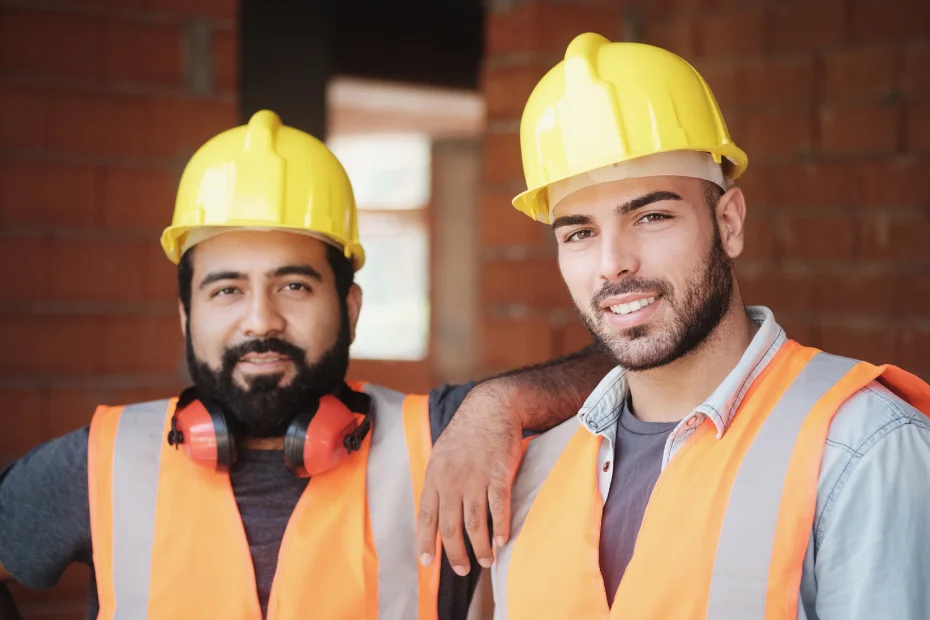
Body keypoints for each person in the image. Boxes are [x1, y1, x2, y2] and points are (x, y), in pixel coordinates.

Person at [0, 110, 613, 620]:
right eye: (226, 290)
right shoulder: (103, 463)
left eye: (293, 286)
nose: (261, 320)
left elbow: (631, 356)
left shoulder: (439, 440)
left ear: (350, 308)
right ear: (187, 316)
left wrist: (501, 403)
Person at [417, 33, 930, 618]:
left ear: (729, 223)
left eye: (652, 216)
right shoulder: (532, 474)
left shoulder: (862, 449)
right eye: (580, 233)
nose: (613, 262)